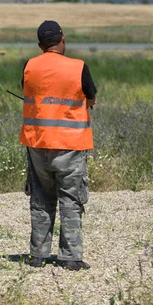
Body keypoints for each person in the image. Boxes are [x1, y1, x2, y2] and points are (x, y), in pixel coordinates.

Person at [19, 20, 97, 271]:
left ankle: (38, 256)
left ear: (40, 45)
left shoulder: (29, 66)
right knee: (71, 199)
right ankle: (71, 257)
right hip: (71, 145)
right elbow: (91, 96)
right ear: (63, 39)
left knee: (41, 198)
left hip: (38, 143)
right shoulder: (79, 67)